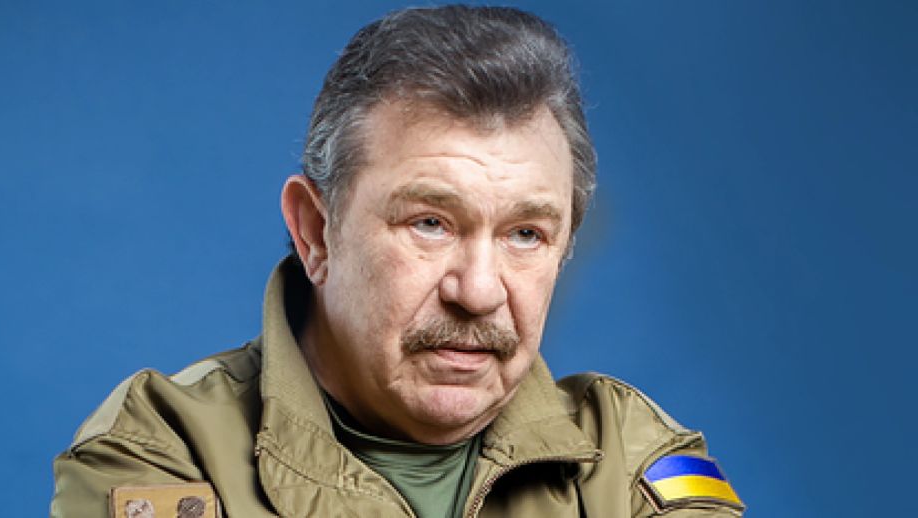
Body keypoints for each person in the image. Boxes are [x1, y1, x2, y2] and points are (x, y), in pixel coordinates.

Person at [51, 5, 744, 517]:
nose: (478, 291)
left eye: (526, 234)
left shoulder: (629, 456)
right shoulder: (162, 449)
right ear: (316, 232)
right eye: (430, 223)